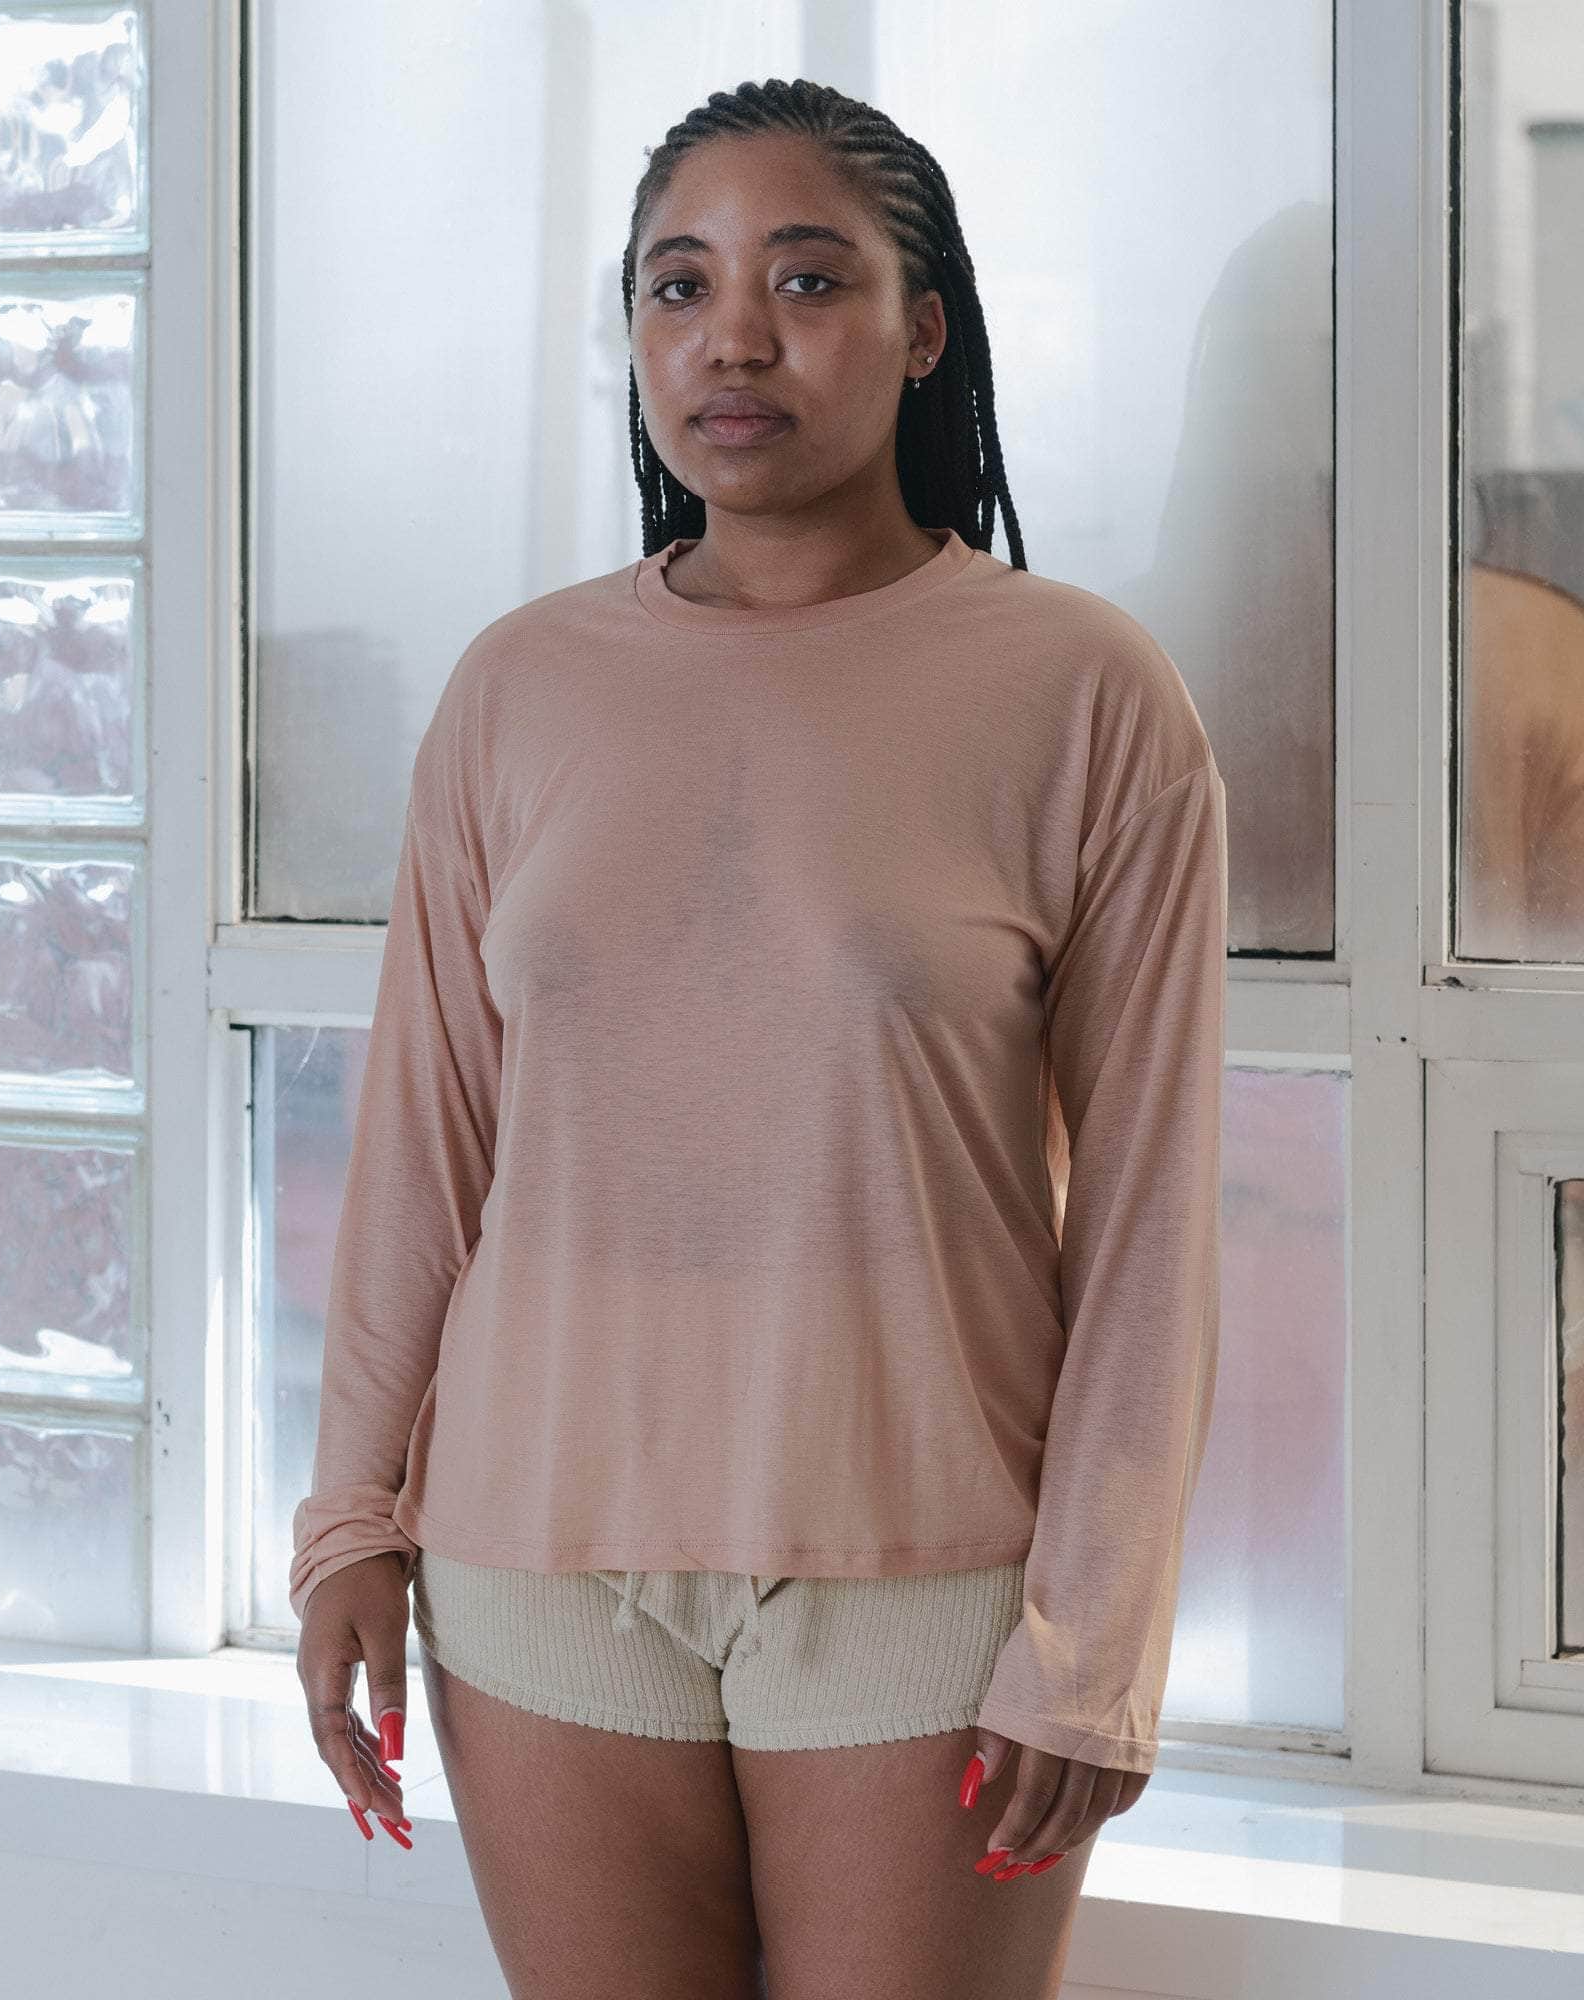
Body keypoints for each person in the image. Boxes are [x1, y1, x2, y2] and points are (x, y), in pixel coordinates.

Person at [291, 76, 1228, 2000]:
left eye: (808, 279)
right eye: (679, 285)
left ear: (924, 327)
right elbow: (421, 1156)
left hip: (924, 1570)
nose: (733, 337)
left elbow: (1151, 1218)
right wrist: (349, 1528)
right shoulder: (517, 688)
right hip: (533, 1565)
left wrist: (1095, 1641)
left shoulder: (1083, 690)